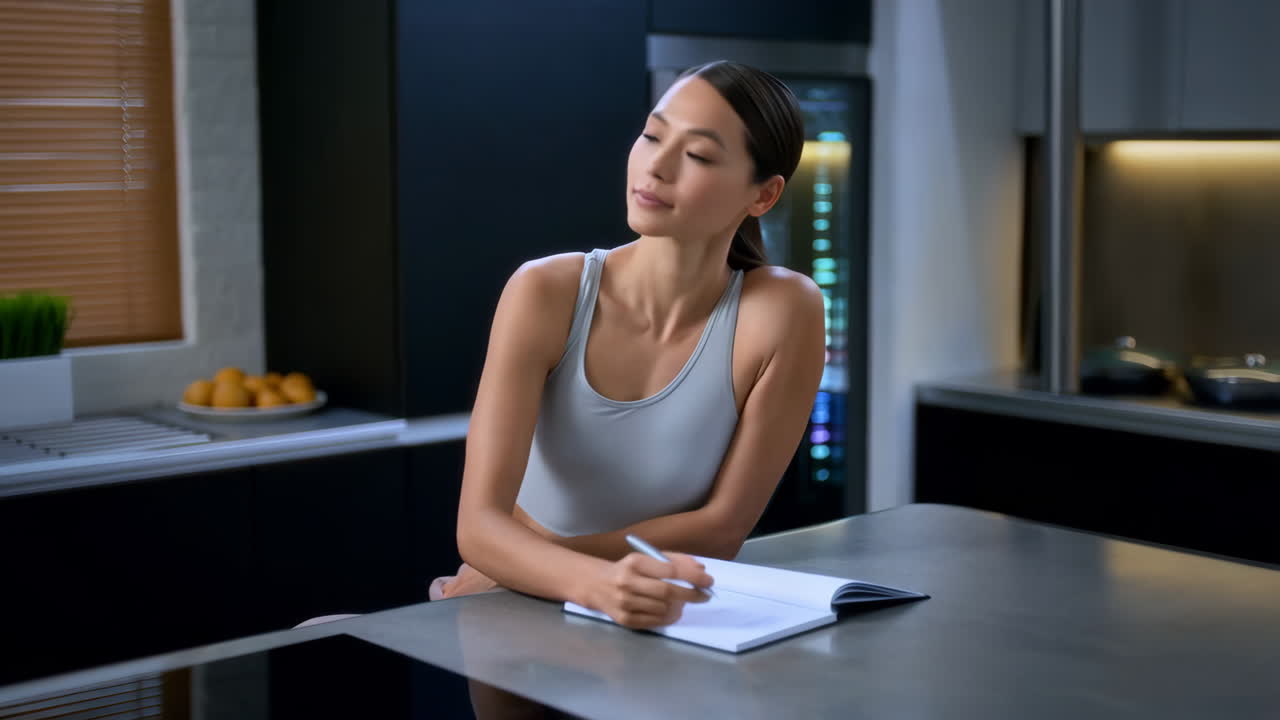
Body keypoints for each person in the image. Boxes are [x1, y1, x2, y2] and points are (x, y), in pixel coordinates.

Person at [433, 59, 827, 631]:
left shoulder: (785, 311)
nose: (656, 167)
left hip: (646, 610)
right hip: (511, 608)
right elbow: (479, 525)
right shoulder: (545, 291)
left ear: (763, 195)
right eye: (651, 135)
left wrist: (553, 567)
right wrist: (588, 582)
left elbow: (722, 529)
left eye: (697, 155)